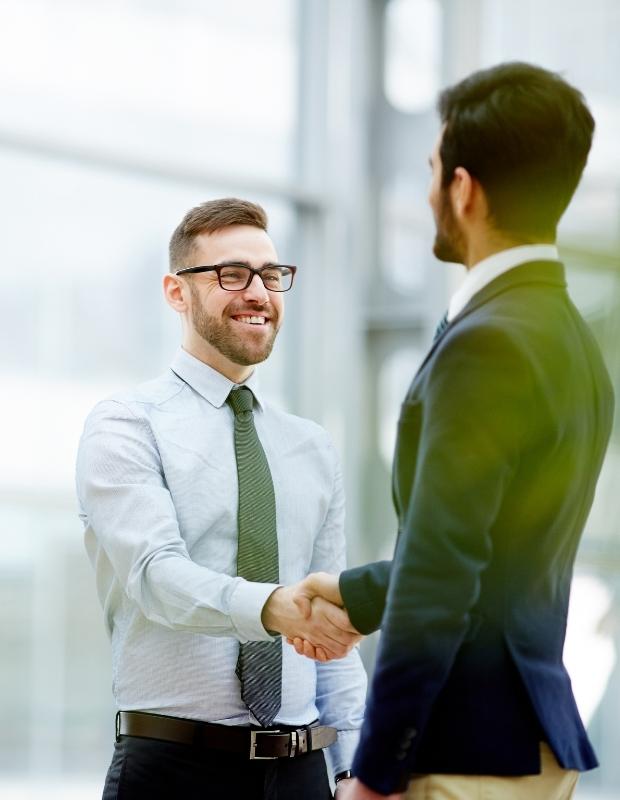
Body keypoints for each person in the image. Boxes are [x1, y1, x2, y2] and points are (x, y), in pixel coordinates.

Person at [292, 62, 615, 799]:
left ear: (464, 190)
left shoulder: (486, 344)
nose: (429, 189)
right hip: (527, 748)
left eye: (433, 169)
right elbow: (498, 556)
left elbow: (444, 573)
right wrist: (355, 591)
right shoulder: (570, 337)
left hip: (466, 754)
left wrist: (375, 772)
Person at [76, 197, 366, 800]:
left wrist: (354, 767)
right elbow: (156, 577)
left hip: (303, 772)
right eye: (231, 274)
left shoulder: (311, 447)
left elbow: (331, 634)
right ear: (176, 292)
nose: (258, 291)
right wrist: (275, 606)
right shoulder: (126, 424)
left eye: (272, 274)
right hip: (176, 770)